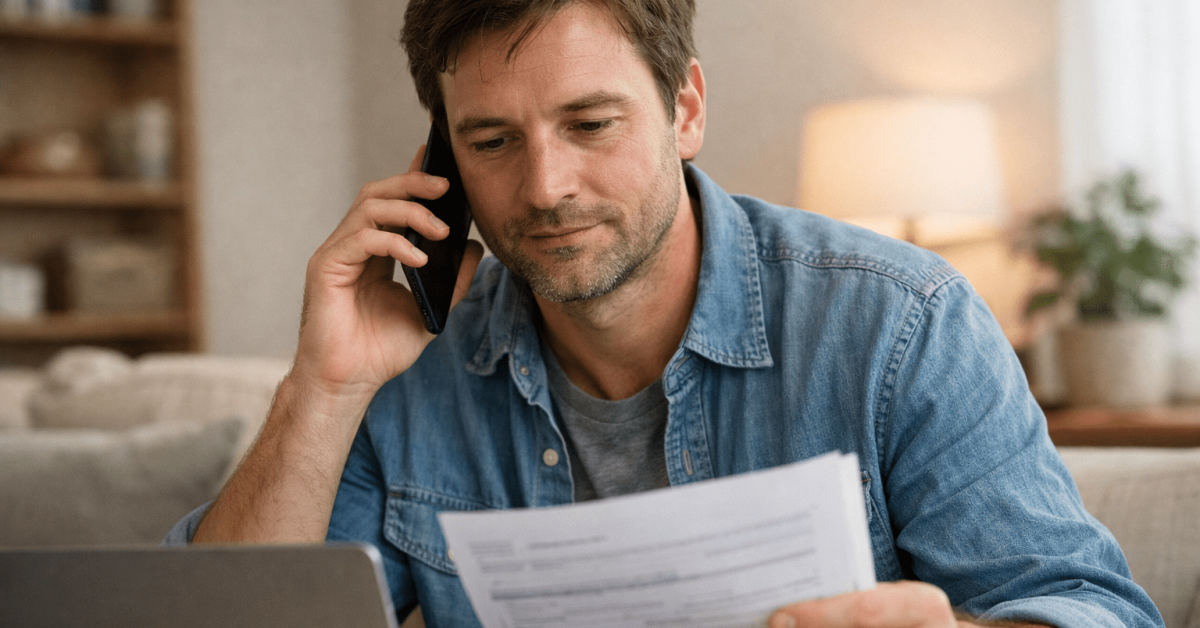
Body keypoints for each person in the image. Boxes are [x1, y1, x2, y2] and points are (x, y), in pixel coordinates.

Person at [165, 1, 1163, 626]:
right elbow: (218, 622)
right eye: (492, 142)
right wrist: (325, 387)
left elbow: (1092, 609)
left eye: (590, 123)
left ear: (685, 109)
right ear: (444, 161)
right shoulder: (409, 369)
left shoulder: (901, 325)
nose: (546, 186)